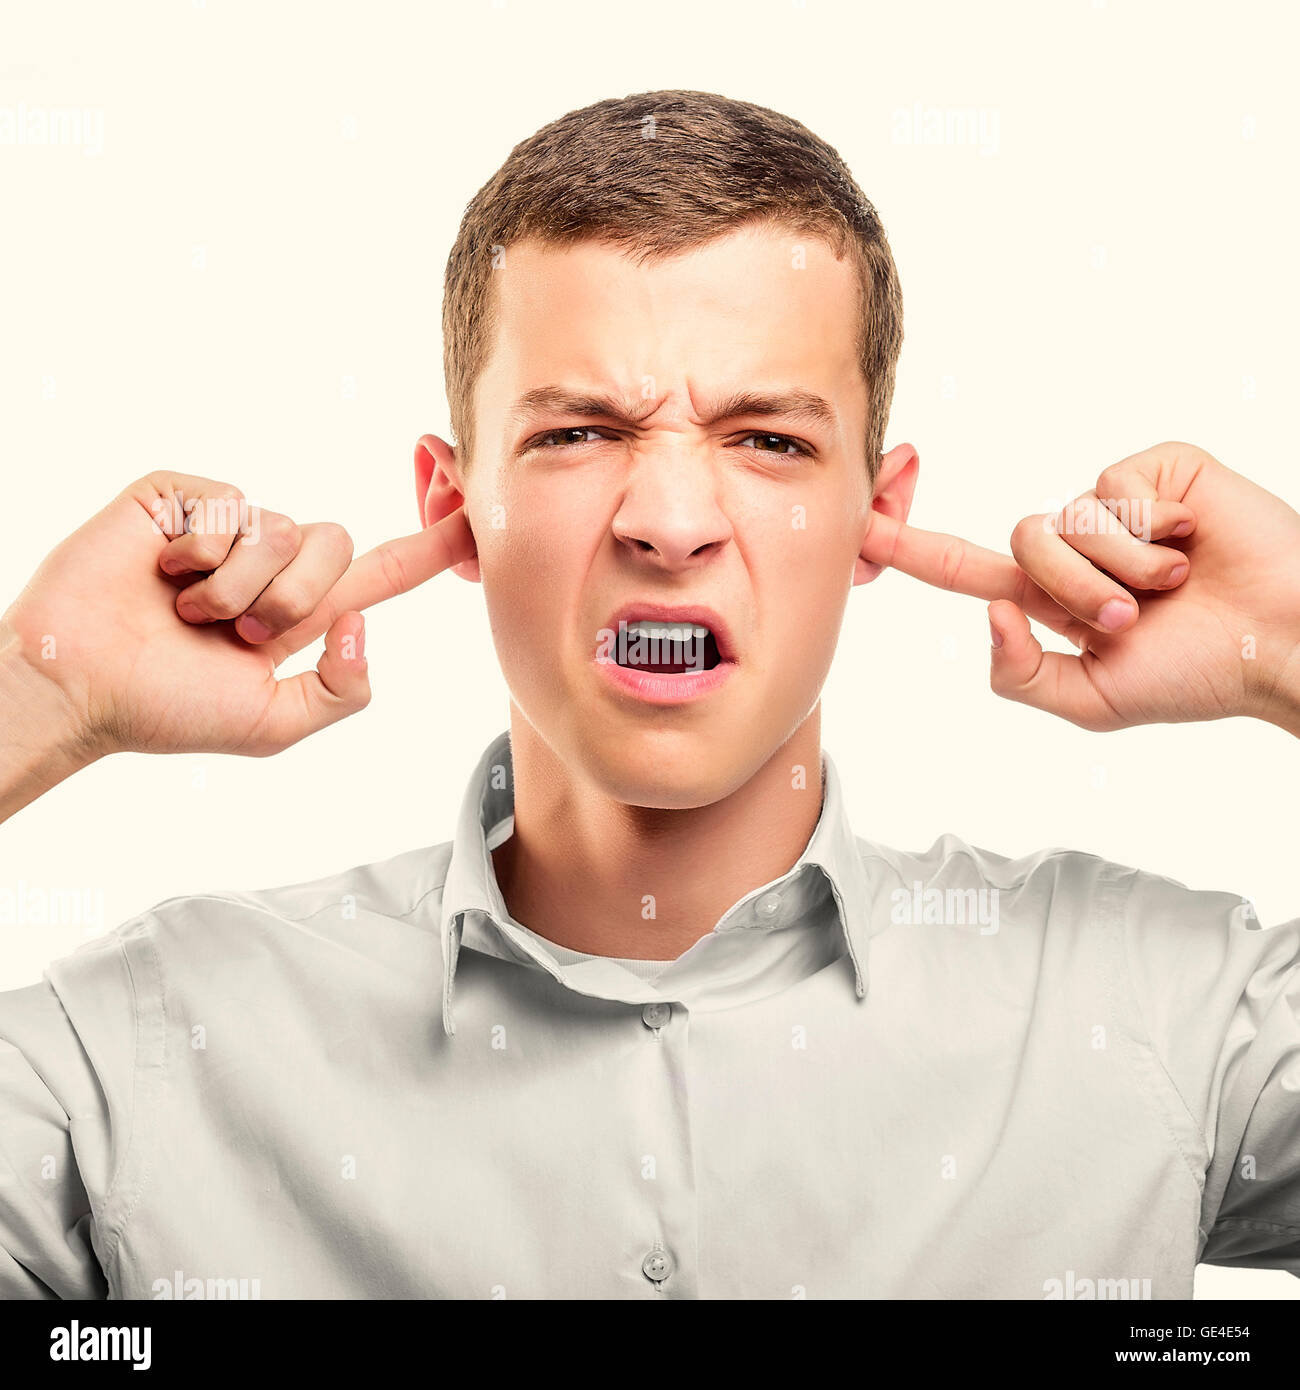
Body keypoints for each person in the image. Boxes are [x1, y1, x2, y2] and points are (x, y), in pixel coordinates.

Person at [1, 89, 1297, 1301]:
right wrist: (35, 694)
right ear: (457, 506)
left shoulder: (1151, 1010)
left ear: (876, 513)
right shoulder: (142, 1051)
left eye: (770, 439)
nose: (670, 523)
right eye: (577, 433)